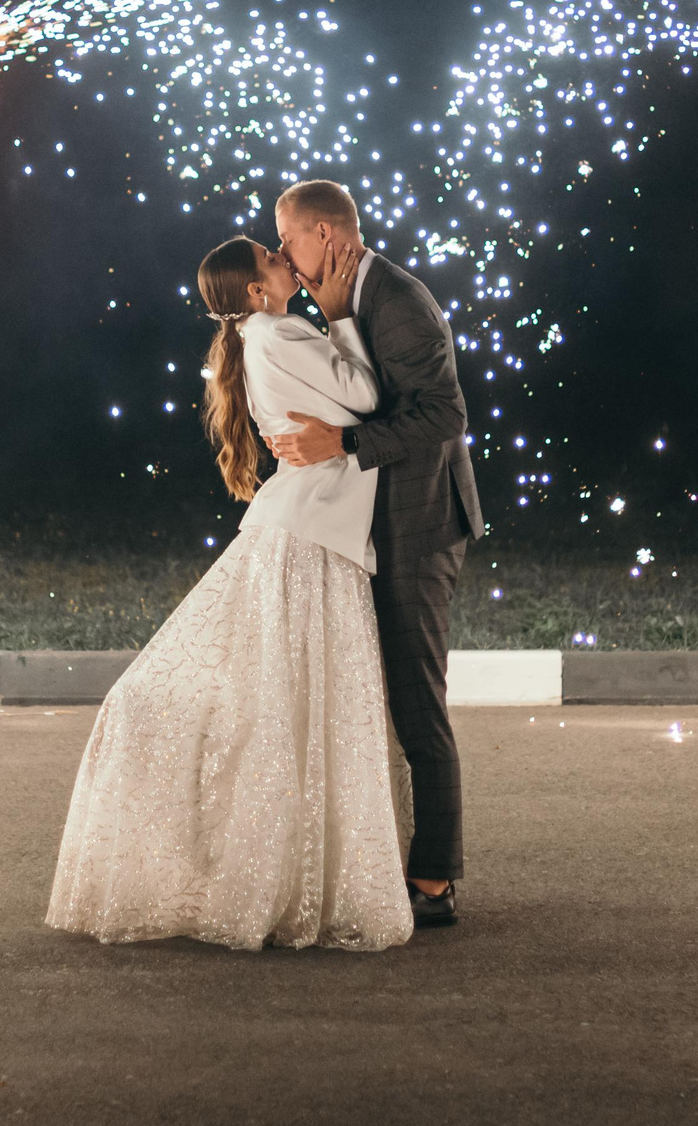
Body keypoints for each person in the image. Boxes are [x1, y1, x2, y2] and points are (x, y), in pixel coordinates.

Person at [46, 235, 414, 952]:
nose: (284, 257)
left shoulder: (261, 334)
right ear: (254, 290)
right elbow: (368, 395)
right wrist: (339, 315)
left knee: (284, 708)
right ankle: (280, 875)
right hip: (310, 540)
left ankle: (278, 869)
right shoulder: (282, 329)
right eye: (270, 259)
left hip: (305, 532)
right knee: (296, 708)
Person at [267, 179, 483, 928]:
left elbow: (445, 412)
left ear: (327, 235)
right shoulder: (346, 297)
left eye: (288, 239)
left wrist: (344, 442)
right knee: (390, 697)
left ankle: (434, 880)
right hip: (381, 522)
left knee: (417, 701)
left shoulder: (396, 297)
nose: (283, 257)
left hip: (420, 523)